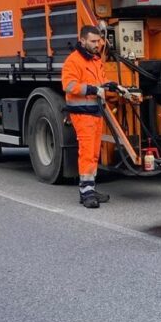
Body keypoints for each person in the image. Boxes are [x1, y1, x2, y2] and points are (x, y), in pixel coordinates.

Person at [61, 26, 126, 208]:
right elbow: (69, 85)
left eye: (99, 41)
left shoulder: (95, 60)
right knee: (87, 153)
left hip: (95, 112)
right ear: (82, 41)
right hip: (82, 113)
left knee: (94, 153)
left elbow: (99, 83)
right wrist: (93, 89)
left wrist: (111, 86)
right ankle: (86, 193)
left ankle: (90, 188)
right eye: (93, 41)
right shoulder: (73, 61)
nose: (98, 45)